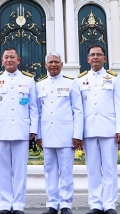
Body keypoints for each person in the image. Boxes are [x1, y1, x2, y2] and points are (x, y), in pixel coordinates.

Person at [0, 47, 38, 214]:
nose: (9, 60)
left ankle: (18, 206)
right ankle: (4, 205)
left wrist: (33, 128)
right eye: (6, 57)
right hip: (0, 131)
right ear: (1, 61)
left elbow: (33, 107)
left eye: (12, 57)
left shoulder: (28, 80)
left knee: (20, 171)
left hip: (21, 131)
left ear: (18, 60)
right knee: (3, 171)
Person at [79, 44, 120, 214]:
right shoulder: (80, 80)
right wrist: (78, 133)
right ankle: (96, 204)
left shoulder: (114, 78)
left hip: (109, 130)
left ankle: (110, 204)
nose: (95, 57)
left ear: (104, 58)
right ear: (88, 59)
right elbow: (78, 109)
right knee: (92, 169)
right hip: (89, 130)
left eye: (99, 54)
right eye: (92, 55)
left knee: (110, 168)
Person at [36, 52, 83, 214]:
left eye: (56, 62)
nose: (53, 65)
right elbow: (38, 112)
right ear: (45, 65)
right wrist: (38, 135)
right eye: (50, 62)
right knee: (49, 171)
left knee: (66, 171)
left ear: (62, 65)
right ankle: (52, 203)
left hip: (66, 135)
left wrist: (77, 135)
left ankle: (65, 204)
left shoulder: (71, 83)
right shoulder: (40, 85)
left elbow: (78, 110)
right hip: (47, 134)